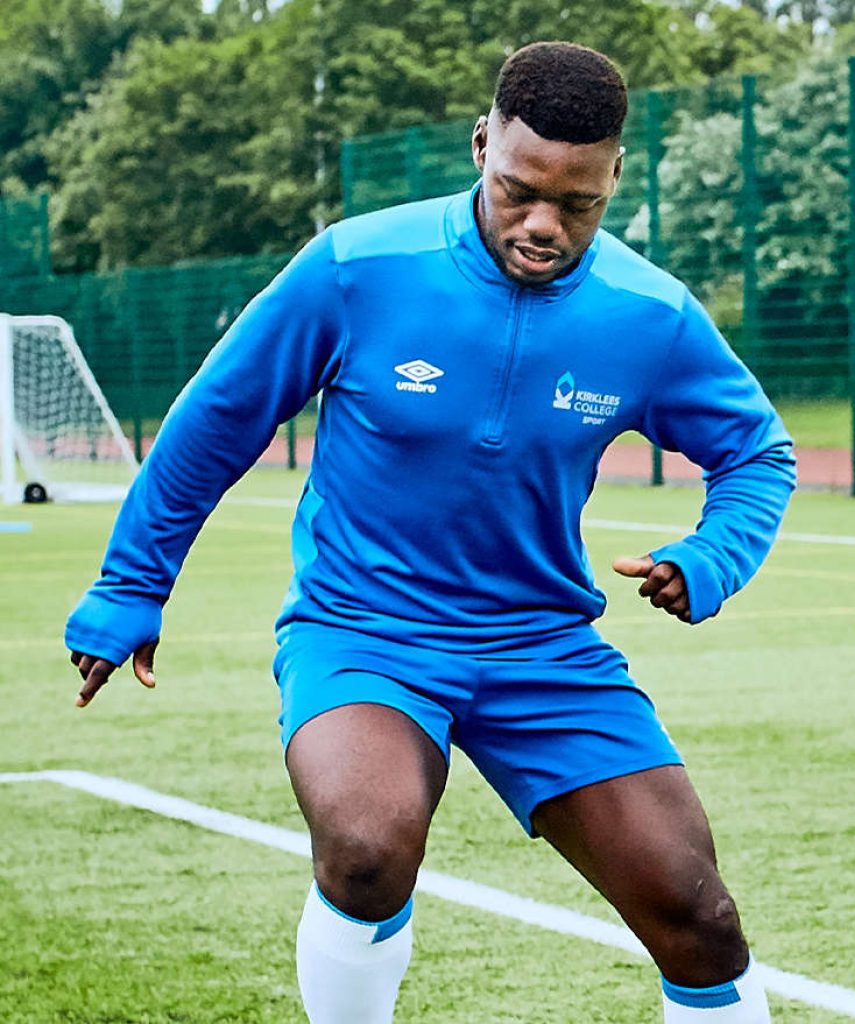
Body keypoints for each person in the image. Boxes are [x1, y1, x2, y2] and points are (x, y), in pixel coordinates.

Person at [66, 41, 796, 1024]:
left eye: (576, 204)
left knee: (699, 920)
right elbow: (214, 424)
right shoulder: (354, 267)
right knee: (367, 848)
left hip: (542, 646)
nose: (542, 224)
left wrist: (708, 558)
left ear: (615, 176)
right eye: (516, 190)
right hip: (362, 631)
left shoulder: (649, 314)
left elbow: (756, 454)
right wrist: (129, 585)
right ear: (481, 143)